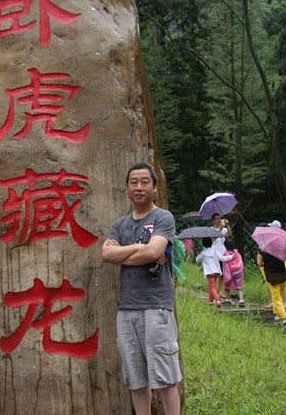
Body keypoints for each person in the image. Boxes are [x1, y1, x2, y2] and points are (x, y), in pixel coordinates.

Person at [102, 163, 181, 415]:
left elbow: (154, 251)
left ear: (155, 187)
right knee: (135, 377)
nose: (139, 187)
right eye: (133, 182)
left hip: (156, 306)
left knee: (166, 376)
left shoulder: (163, 218)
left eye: (145, 182)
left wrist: (123, 255)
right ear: (126, 188)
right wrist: (139, 249)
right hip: (127, 308)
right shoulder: (120, 224)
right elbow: (106, 254)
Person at [257, 247, 286, 330]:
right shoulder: (281, 248)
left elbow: (259, 264)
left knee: (277, 300)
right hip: (283, 276)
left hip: (272, 278)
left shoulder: (263, 249)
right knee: (278, 296)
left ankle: (285, 320)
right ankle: (277, 316)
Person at [195, 237, 233, 307]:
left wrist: (199, 254)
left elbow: (197, 260)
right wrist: (231, 257)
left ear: (203, 244)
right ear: (211, 243)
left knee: (212, 287)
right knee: (212, 286)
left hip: (209, 272)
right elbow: (222, 258)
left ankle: (218, 300)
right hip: (216, 272)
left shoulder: (203, 253)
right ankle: (210, 300)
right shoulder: (215, 251)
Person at [210, 213, 230, 296]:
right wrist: (220, 229)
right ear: (213, 220)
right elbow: (213, 238)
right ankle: (213, 290)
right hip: (214, 252)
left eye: (219, 218)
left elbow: (229, 234)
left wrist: (227, 225)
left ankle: (221, 291)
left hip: (222, 252)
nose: (218, 220)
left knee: (222, 273)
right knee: (215, 273)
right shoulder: (211, 229)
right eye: (216, 219)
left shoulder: (224, 229)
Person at [222, 240, 245, 307]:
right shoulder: (237, 253)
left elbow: (225, 262)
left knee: (227, 284)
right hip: (238, 270)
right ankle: (241, 300)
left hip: (230, 271)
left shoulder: (227, 254)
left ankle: (228, 299)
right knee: (239, 285)